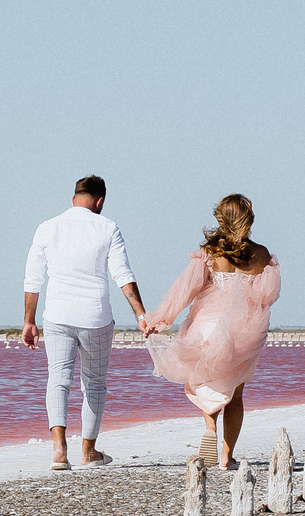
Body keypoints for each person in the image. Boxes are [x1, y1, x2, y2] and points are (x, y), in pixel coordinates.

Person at [137, 193, 280, 469]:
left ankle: (210, 429)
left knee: (203, 378)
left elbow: (185, 289)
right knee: (236, 394)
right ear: (247, 220)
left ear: (220, 218)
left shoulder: (211, 252)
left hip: (208, 324)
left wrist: (161, 318)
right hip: (245, 329)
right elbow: (267, 296)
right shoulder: (261, 254)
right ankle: (227, 457)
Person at [21, 175, 146, 470]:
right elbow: (123, 275)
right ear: (99, 201)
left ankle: (59, 450)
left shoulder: (47, 227)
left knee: (58, 379)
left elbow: (33, 278)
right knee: (94, 384)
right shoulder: (108, 227)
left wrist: (29, 321)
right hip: (96, 317)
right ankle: (88, 451)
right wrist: (141, 314)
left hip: (58, 316)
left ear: (74, 197)